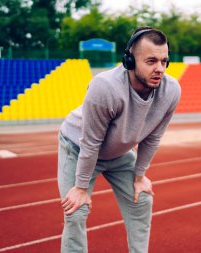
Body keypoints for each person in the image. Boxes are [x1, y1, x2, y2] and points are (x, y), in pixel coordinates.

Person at [57, 26, 181, 253]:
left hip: (119, 152)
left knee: (142, 199)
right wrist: (81, 188)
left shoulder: (171, 90)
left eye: (164, 61)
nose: (159, 69)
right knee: (76, 210)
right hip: (77, 146)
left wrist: (140, 176)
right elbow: (91, 143)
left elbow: (153, 137)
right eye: (151, 61)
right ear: (129, 61)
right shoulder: (105, 87)